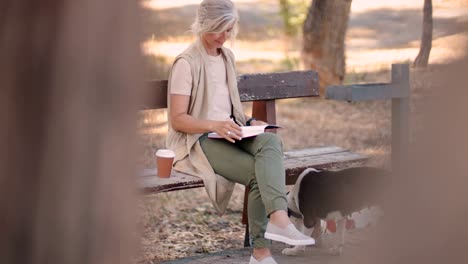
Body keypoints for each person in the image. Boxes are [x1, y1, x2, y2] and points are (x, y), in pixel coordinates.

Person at [166, 1, 314, 263]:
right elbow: (178, 120)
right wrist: (214, 125)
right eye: (219, 30)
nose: (225, 37)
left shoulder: (227, 57)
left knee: (270, 141)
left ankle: (277, 221)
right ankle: (262, 252)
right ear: (203, 26)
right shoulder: (186, 64)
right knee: (260, 174)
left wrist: (251, 121)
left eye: (229, 30)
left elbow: (227, 108)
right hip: (199, 139)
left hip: (230, 131)